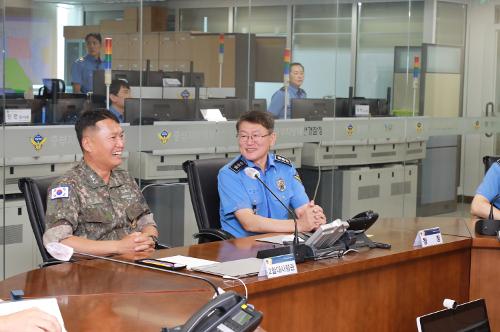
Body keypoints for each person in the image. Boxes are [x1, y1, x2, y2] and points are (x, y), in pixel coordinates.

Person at [43, 109, 159, 256]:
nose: (121, 144)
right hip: (93, 271)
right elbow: (58, 242)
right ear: (88, 144)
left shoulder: (125, 179)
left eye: (121, 136)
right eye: (113, 138)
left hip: (134, 263)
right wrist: (119, 247)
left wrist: (146, 240)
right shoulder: (68, 185)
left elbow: (147, 223)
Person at [218, 110, 326, 238]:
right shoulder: (229, 174)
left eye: (256, 136)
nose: (249, 142)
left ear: (272, 138)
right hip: (243, 247)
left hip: (281, 243)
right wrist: (300, 225)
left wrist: (314, 218)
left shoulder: (285, 168)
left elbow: (302, 209)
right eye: (243, 136)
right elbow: (249, 223)